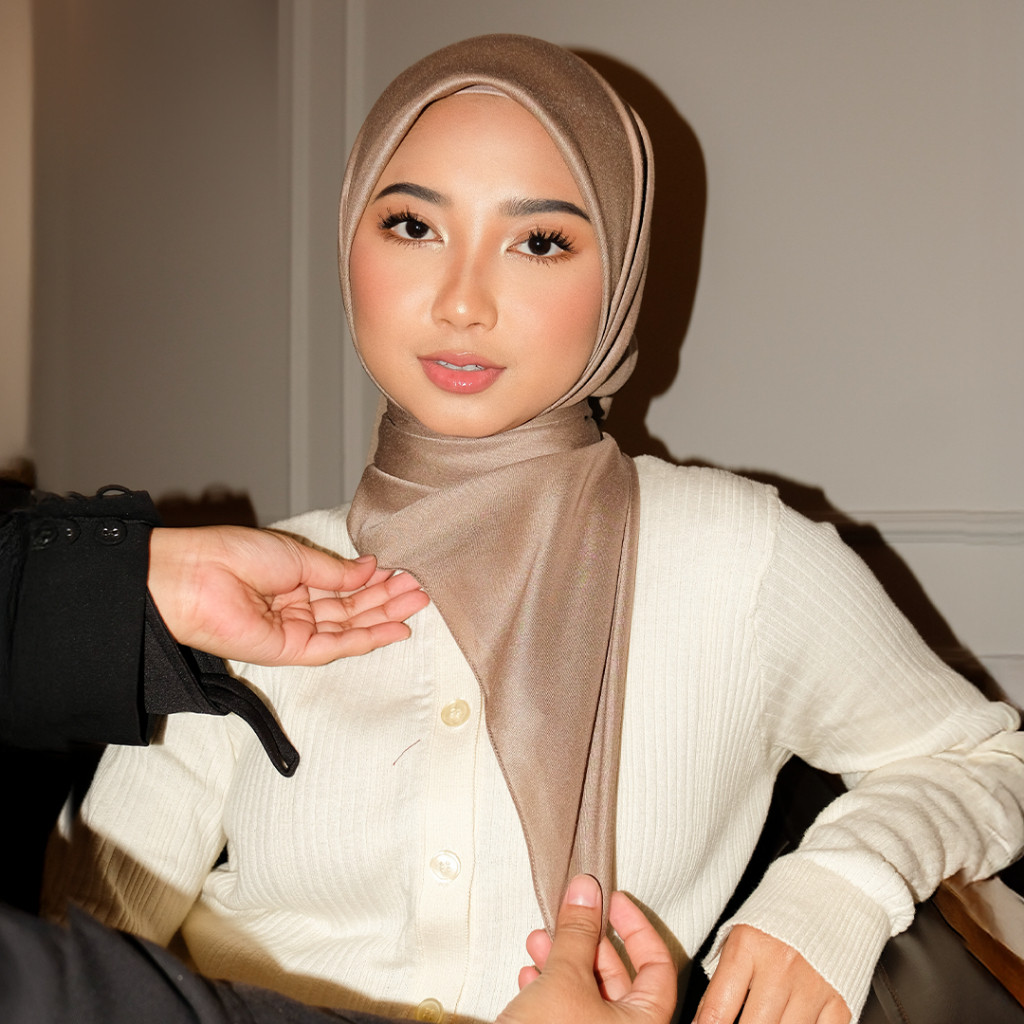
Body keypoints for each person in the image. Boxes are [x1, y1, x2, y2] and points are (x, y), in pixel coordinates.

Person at [44, 34, 1024, 1024]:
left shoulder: (740, 560)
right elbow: (86, 942)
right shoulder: (242, 592)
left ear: (620, 273)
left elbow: (981, 761)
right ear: (349, 243)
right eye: (413, 226)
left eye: (541, 242)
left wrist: (840, 887)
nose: (462, 302)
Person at [1, 481, 676, 1024]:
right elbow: (80, 961)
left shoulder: (714, 543)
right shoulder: (272, 580)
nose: (462, 322)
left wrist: (763, 931)